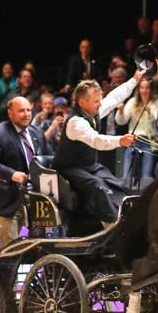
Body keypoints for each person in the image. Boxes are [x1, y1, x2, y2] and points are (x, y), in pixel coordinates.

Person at [53, 72, 141, 228]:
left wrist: (134, 80)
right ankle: (112, 226)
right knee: (98, 185)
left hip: (88, 166)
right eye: (96, 101)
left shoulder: (93, 111)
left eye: (100, 100)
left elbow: (114, 98)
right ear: (82, 102)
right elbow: (96, 141)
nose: (100, 104)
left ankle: (127, 220)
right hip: (68, 168)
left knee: (115, 184)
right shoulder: (75, 122)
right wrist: (120, 140)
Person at [0, 97, 51, 242]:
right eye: (21, 111)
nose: (26, 114)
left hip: (36, 198)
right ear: (10, 113)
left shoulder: (36, 132)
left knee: (41, 244)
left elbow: (50, 158)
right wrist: (12, 174)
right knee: (9, 249)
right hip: (7, 200)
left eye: (28, 110)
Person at [114, 77, 158, 189]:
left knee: (147, 174)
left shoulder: (156, 102)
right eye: (142, 88)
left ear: (151, 89)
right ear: (138, 89)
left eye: (147, 88)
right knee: (127, 173)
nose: (144, 90)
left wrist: (150, 112)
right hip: (134, 140)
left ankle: (144, 192)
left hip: (149, 141)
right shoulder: (133, 101)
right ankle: (126, 190)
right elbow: (121, 121)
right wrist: (120, 111)